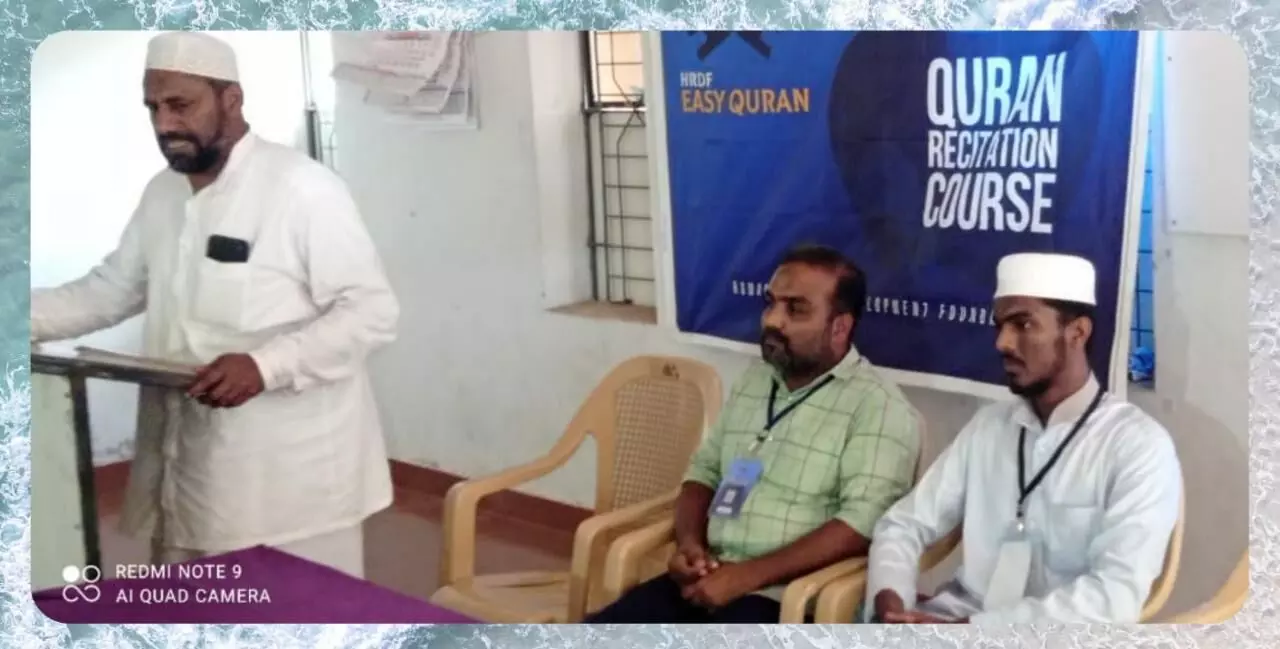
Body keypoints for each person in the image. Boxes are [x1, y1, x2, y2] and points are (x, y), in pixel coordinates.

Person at [29, 32, 399, 578]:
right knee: (191, 609)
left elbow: (370, 311)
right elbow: (109, 291)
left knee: (295, 613)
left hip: (290, 481)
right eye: (153, 107)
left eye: (181, 104)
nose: (164, 124)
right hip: (187, 460)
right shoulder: (163, 193)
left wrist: (265, 365)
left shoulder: (301, 188)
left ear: (232, 99)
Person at [586, 244, 922, 623]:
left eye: (795, 309)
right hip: (707, 576)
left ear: (839, 327)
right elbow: (704, 472)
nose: (773, 320)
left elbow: (862, 524)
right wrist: (689, 546)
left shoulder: (877, 407)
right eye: (770, 303)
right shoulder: (756, 380)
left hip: (784, 600)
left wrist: (747, 576)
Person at [865, 252, 1183, 624]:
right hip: (953, 617)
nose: (1002, 342)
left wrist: (969, 632)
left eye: (1023, 324)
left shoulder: (1137, 446)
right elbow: (903, 524)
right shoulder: (989, 427)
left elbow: (1113, 597)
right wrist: (891, 601)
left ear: (1077, 332)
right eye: (1000, 326)